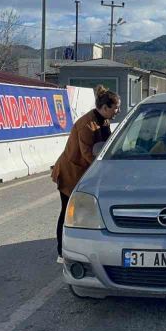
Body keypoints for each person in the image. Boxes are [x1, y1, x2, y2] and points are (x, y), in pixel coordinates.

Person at [51, 85, 120, 262]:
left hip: (83, 175)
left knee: (85, 213)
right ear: (105, 108)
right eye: (116, 107)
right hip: (70, 174)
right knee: (67, 212)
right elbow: (88, 154)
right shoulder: (87, 125)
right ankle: (62, 252)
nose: (117, 111)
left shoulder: (102, 120)